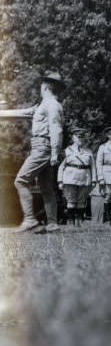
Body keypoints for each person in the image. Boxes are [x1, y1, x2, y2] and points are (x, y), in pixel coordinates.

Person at [0, 72, 65, 233]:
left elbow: (56, 130)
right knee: (46, 187)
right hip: (43, 147)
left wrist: (55, 153)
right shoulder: (45, 105)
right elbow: (24, 113)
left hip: (43, 147)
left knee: (21, 181)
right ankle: (52, 224)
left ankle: (30, 220)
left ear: (45, 87)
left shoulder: (51, 105)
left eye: (41, 85)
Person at [57, 125, 95, 227]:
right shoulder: (67, 151)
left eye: (82, 137)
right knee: (71, 200)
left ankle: (79, 222)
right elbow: (61, 167)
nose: (80, 139)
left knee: (81, 201)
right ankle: (71, 222)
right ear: (73, 138)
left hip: (84, 177)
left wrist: (94, 180)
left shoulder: (88, 152)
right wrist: (60, 181)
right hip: (70, 178)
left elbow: (93, 167)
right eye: (78, 137)